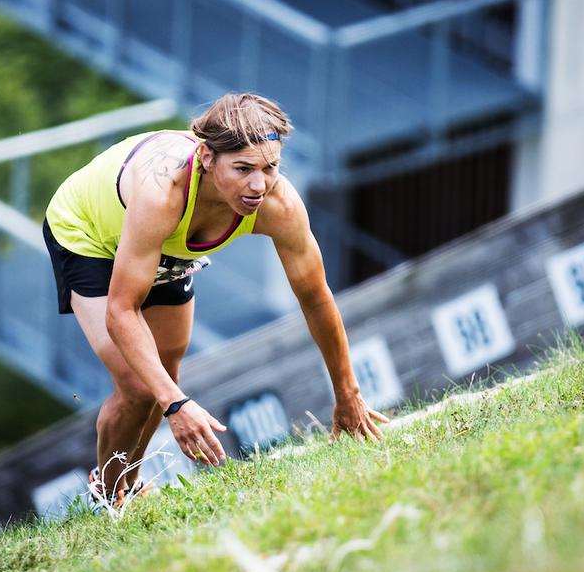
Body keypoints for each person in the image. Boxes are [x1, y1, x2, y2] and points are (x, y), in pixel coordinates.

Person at [43, 93, 389, 504]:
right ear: (207, 157)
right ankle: (111, 497)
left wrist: (347, 395)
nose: (258, 185)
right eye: (243, 169)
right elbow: (121, 311)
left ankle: (125, 484)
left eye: (270, 167)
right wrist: (176, 407)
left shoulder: (279, 204)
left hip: (167, 243)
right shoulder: (163, 194)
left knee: (166, 368)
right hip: (89, 234)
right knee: (139, 385)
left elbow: (315, 299)